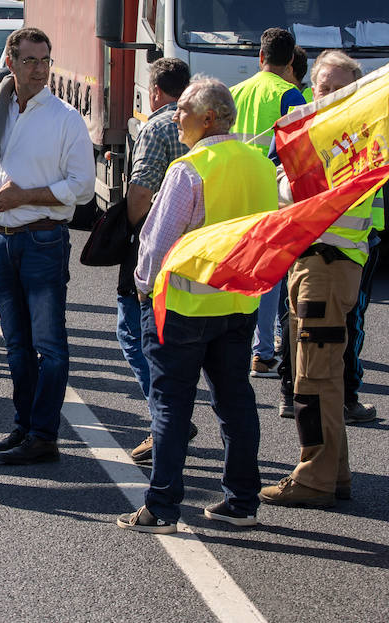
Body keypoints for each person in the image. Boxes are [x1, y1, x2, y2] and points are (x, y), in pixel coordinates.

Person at [117, 76, 277, 532]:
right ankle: (243, 500)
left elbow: (158, 243)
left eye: (183, 109)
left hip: (184, 309)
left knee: (170, 407)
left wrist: (144, 288)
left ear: (208, 118)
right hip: (239, 304)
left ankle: (162, 507)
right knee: (235, 403)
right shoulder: (260, 165)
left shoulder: (189, 169)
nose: (175, 116)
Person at [0, 28, 92, 465]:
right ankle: (24, 426)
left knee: (49, 346)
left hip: (42, 239)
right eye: (30, 61)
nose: (39, 70)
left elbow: (84, 188)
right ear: (11, 63)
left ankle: (43, 435)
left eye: (45, 61)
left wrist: (26, 195)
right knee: (16, 345)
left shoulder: (65, 117)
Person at [263, 50, 377, 508]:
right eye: (323, 87)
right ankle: (335, 472)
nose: (328, 95)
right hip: (316, 264)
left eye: (339, 87)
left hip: (326, 266)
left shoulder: (349, 138)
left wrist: (280, 176)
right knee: (319, 375)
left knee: (313, 378)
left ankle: (314, 477)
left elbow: (297, 194)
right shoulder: (328, 132)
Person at [118, 57, 191, 466]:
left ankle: (164, 420)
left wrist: (129, 231)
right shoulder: (213, 128)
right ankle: (173, 417)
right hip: (200, 250)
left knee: (133, 333)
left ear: (157, 91)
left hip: (158, 246)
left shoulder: (158, 127)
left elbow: (141, 191)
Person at [230, 27, 306, 379]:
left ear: (259, 57)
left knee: (237, 270)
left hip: (232, 191)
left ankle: (233, 343)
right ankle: (262, 352)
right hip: (269, 193)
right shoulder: (290, 96)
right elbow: (297, 154)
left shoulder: (233, 93)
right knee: (270, 277)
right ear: (290, 60)